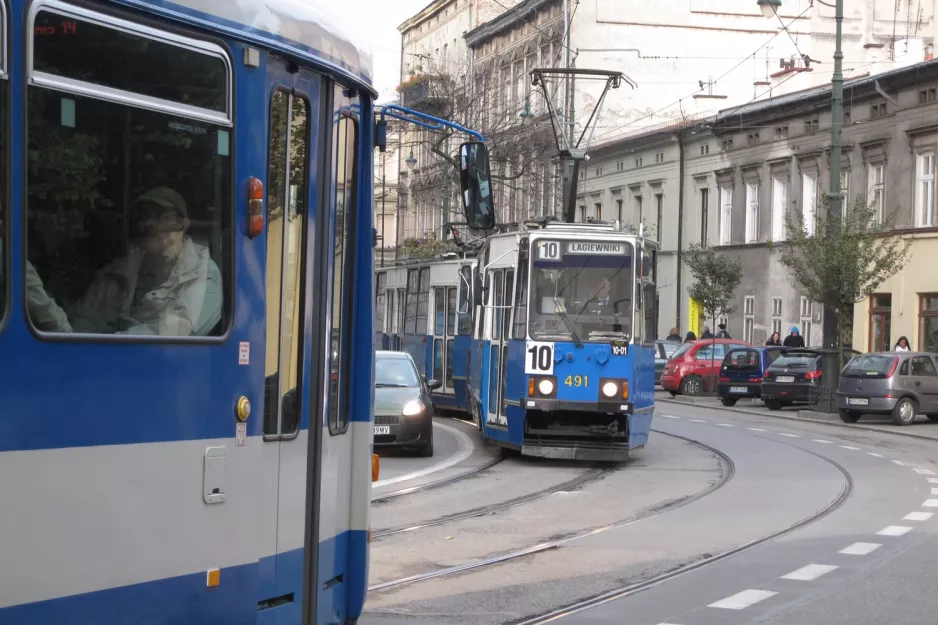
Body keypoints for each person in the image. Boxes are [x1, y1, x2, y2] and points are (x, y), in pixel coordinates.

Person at [69, 186, 222, 336]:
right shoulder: (119, 271)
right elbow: (82, 320)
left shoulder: (201, 273)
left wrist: (113, 344)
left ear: (182, 225)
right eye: (144, 216)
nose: (149, 223)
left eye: (160, 216)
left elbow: (175, 333)